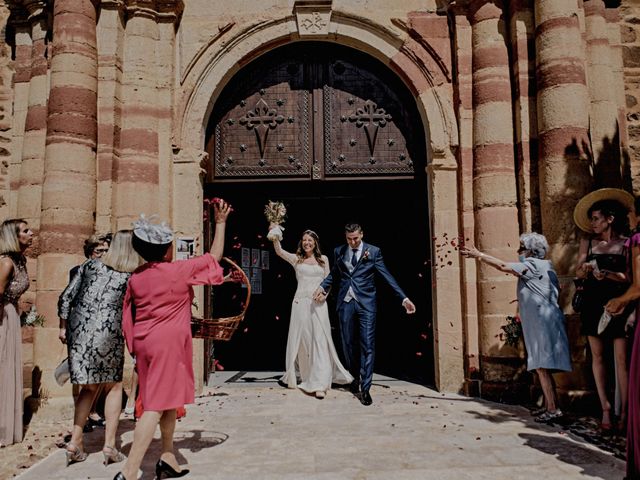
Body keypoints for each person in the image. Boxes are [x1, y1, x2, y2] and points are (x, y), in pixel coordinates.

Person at [114, 200, 231, 480]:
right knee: (153, 406)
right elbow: (214, 257)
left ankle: (167, 457)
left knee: (167, 400)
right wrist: (221, 222)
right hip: (167, 345)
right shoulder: (178, 271)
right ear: (166, 249)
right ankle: (130, 472)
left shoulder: (136, 278)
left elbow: (127, 315)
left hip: (145, 343)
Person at [461, 233, 572, 421]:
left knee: (542, 367)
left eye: (522, 247)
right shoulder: (545, 266)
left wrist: (479, 255)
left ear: (530, 250)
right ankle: (549, 405)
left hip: (542, 323)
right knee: (540, 366)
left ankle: (553, 410)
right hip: (541, 322)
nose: (519, 251)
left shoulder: (534, 265)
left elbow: (503, 266)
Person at [58, 230, 142, 467]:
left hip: (80, 332)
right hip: (108, 333)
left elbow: (65, 298)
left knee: (88, 387)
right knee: (114, 386)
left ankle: (75, 442)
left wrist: (64, 327)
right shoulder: (130, 276)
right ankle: (110, 446)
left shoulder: (89, 266)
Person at [312, 223, 416, 406]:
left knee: (367, 344)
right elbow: (335, 274)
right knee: (347, 343)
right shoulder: (339, 251)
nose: (352, 242)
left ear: (362, 235)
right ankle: (354, 378)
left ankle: (365, 389)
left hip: (366, 304)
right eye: (349, 239)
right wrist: (322, 286)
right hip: (345, 303)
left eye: (356, 238)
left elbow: (387, 276)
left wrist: (404, 298)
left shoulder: (373, 252)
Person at [573, 188, 634, 433]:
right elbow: (577, 271)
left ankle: (626, 414)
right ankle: (606, 410)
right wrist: (585, 269)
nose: (593, 223)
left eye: (596, 218)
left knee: (621, 361)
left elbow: (628, 277)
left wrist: (605, 273)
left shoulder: (626, 243)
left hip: (618, 303)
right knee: (597, 358)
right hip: (592, 303)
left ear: (610, 218)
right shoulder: (587, 242)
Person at [269, 228, 353, 398]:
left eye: (310, 240)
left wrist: (324, 295)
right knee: (305, 342)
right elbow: (279, 251)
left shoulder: (323, 260)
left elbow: (328, 281)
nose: (307, 243)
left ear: (315, 243)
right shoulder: (297, 260)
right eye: (304, 240)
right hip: (300, 304)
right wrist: (274, 230)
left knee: (320, 340)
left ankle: (320, 383)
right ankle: (308, 377)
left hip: (319, 305)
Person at [605, 195, 640, 480]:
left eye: (631, 213)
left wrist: (620, 301)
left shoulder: (638, 240)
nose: (629, 218)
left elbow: (639, 286)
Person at [69, 233, 111, 433]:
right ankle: (83, 417)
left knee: (101, 370)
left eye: (105, 251)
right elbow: (71, 299)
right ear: (90, 252)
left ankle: (93, 410)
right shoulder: (78, 271)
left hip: (102, 326)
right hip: (82, 327)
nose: (103, 254)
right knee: (82, 373)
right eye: (99, 251)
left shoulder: (109, 272)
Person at [0, 219, 33, 446]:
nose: (31, 233)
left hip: (11, 314)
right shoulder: (6, 263)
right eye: (25, 230)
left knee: (8, 367)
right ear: (14, 236)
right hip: (2, 317)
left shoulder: (21, 260)